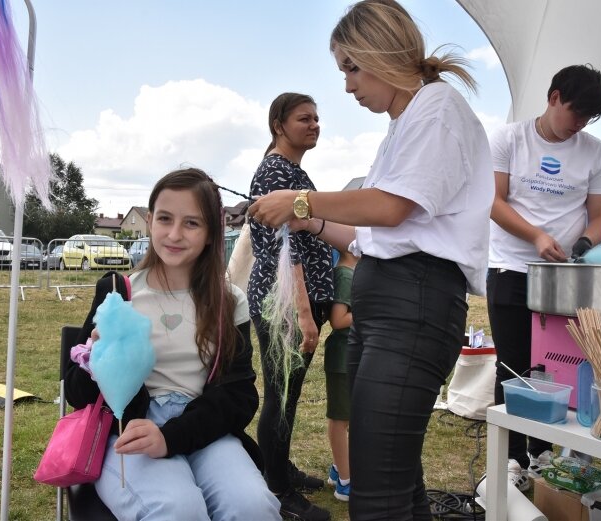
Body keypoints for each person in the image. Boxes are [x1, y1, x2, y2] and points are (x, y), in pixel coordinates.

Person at [248, 1, 494, 518]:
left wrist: (300, 201)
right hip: (389, 306)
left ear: (381, 52)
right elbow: (372, 232)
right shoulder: (404, 123)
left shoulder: (437, 109)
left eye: (350, 68)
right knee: (392, 478)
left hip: (415, 303)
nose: (347, 86)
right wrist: (309, 221)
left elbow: (390, 206)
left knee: (377, 493)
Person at [64, 168, 281, 521]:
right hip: (129, 430)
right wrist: (95, 362)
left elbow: (239, 396)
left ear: (212, 232)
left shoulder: (229, 301)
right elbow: (76, 392)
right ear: (150, 221)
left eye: (192, 223)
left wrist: (172, 437)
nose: (175, 234)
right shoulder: (119, 292)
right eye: (165, 219)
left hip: (204, 425)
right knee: (178, 510)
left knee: (253, 506)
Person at [487, 64, 601, 492]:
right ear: (554, 97)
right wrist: (536, 236)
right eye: (576, 112)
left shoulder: (596, 153)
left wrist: (582, 244)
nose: (579, 125)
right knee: (513, 364)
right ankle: (510, 457)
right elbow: (494, 201)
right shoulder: (508, 139)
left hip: (566, 278)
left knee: (555, 369)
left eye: (588, 118)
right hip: (512, 268)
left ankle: (544, 453)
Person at [248, 92, 335, 521]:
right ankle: (277, 491)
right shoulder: (274, 173)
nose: (315, 124)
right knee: (281, 396)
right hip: (285, 302)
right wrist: (303, 313)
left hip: (301, 299)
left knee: (289, 394)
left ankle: (278, 466)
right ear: (279, 125)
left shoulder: (293, 171)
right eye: (305, 118)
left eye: (317, 118)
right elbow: (287, 251)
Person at [324, 247, 357, 503]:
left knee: (347, 416)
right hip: (342, 358)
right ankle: (345, 481)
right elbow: (338, 320)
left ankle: (339, 467)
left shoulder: (353, 271)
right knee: (339, 418)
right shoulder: (345, 274)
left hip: (351, 355)